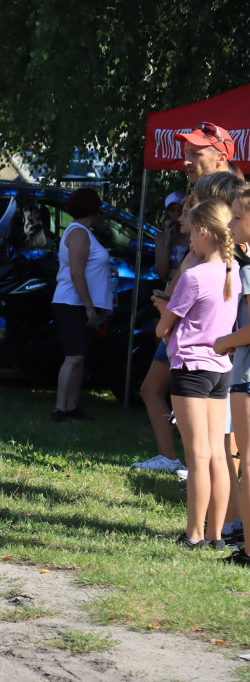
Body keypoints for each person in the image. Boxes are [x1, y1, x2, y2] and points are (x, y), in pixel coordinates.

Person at [156, 198, 239, 549]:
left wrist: (163, 307)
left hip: (190, 369)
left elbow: (163, 330)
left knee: (197, 456)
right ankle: (217, 535)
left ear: (205, 233)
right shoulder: (235, 274)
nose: (189, 241)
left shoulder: (194, 276)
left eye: (191, 233)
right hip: (221, 370)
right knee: (218, 455)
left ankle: (193, 535)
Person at [135, 192, 189, 472]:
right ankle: (169, 457)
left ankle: (193, 462)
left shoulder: (203, 245)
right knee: (151, 388)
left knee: (190, 395)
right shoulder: (172, 237)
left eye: (182, 210)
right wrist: (166, 241)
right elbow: (162, 270)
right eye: (172, 211)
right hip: (172, 311)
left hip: (186, 315)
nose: (177, 216)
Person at [50, 187, 112, 422]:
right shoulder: (79, 233)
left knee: (79, 357)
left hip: (76, 302)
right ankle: (60, 408)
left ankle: (72, 405)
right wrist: (88, 307)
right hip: (72, 303)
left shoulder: (83, 232)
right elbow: (76, 273)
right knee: (73, 357)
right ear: (95, 208)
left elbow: (84, 266)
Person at [214, 187, 250, 565]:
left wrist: (225, 340)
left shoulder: (249, 270)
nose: (231, 223)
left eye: (238, 217)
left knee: (249, 461)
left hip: (247, 376)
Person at [175, 122, 234, 186]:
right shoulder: (204, 193)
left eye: (195, 154)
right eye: (186, 153)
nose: (186, 162)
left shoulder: (237, 194)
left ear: (221, 159)